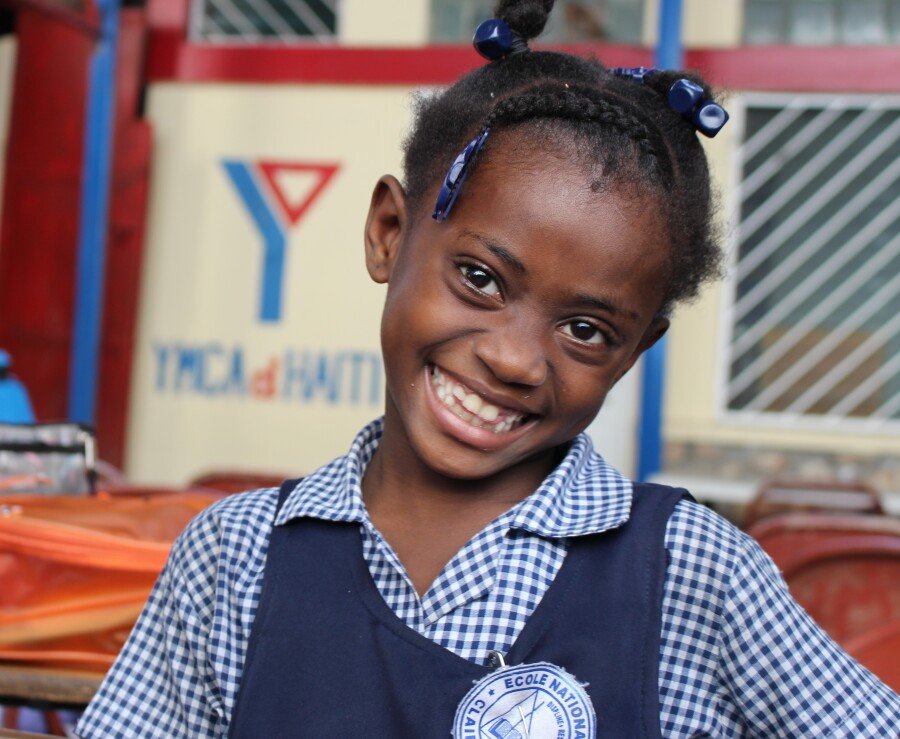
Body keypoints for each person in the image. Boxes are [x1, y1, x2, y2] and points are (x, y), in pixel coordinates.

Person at [76, 1, 900, 736]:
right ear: (389, 233)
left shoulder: (694, 574)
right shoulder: (234, 559)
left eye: (585, 329)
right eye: (480, 278)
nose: (512, 357)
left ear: (634, 352)